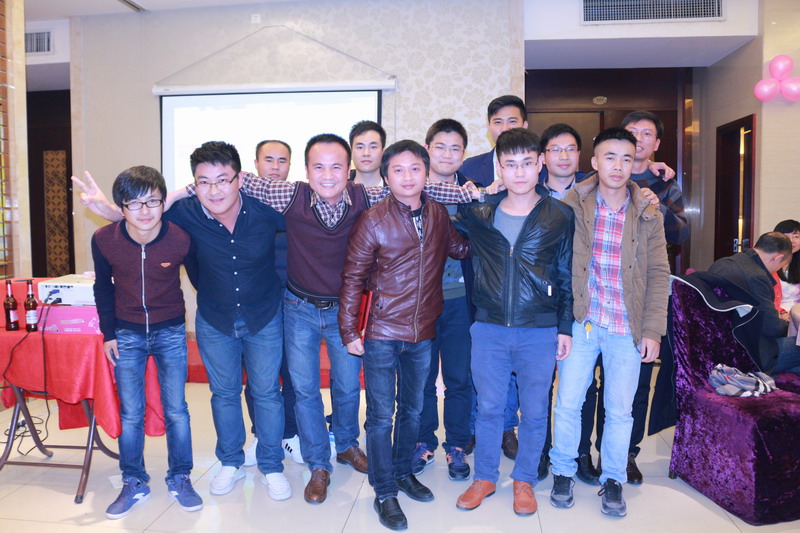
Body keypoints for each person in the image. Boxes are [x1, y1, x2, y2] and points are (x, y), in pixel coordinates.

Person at [179, 133, 482, 504]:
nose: (327, 175)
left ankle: (347, 445)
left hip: (344, 307)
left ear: (348, 169)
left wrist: (473, 193)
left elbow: (421, 188)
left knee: (347, 386)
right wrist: (168, 197)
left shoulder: (365, 196)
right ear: (306, 171)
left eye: (336, 167)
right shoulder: (289, 194)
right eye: (318, 167)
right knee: (305, 391)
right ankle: (317, 464)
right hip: (299, 308)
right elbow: (224, 181)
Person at [74, 141, 291, 502]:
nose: (214, 191)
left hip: (263, 316)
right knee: (223, 393)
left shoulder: (267, 214)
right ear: (194, 185)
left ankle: (271, 465)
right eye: (204, 182)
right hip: (215, 319)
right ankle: (231, 462)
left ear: (239, 179)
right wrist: (110, 210)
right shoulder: (184, 215)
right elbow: (142, 220)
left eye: (222, 180)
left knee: (267, 393)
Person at [339, 139, 471, 531]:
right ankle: (384, 490)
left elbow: (459, 248)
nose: (408, 176)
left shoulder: (437, 214)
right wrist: (349, 329)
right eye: (398, 170)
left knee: (413, 409)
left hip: (423, 331)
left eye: (415, 168)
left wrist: (493, 227)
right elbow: (352, 278)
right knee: (381, 416)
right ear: (386, 177)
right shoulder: (373, 220)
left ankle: (401, 471)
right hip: (382, 331)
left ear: (426, 173)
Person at [550, 127, 670, 518]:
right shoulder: (572, 204)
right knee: (567, 403)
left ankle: (613, 478)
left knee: (620, 411)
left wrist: (653, 330)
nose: (618, 166)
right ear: (595, 162)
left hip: (626, 327)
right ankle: (563, 471)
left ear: (635, 163)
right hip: (582, 322)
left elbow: (659, 274)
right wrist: (559, 325)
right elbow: (557, 267)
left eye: (626, 158)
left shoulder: (648, 212)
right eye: (609, 157)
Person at [454, 128, 574, 517]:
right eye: (510, 165)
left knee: (535, 411)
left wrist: (565, 327)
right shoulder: (480, 213)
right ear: (500, 169)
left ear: (540, 164)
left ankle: (524, 479)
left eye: (526, 163)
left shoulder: (560, 215)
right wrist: (476, 194)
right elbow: (436, 204)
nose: (519, 172)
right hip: (488, 327)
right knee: (489, 407)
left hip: (539, 328)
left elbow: (566, 274)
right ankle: (485, 477)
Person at [93, 166, 201, 519]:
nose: (145, 211)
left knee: (176, 410)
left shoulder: (180, 238)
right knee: (131, 413)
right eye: (134, 203)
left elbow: (202, 280)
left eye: (153, 201)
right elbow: (102, 289)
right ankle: (134, 481)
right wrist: (109, 333)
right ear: (121, 207)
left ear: (163, 202)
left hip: (170, 331)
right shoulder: (104, 239)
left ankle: (180, 476)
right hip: (126, 333)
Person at [461, 94, 528, 460]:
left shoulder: (533, 164)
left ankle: (506, 427)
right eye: (498, 122)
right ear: (489, 127)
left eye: (512, 121)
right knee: (481, 359)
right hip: (479, 278)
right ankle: (475, 426)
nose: (504, 128)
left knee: (513, 364)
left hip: (521, 284)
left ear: (524, 125)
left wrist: (647, 168)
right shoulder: (470, 167)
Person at [412, 119, 474, 482]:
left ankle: (457, 445)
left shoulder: (473, 196)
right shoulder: (411, 192)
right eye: (440, 147)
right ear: (427, 149)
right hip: (419, 303)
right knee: (420, 379)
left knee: (458, 378)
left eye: (455, 148)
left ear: (463, 154)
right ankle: (422, 441)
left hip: (460, 301)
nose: (448, 154)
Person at [243, 139, 303, 466]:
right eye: (269, 160)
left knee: (293, 373)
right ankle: (262, 436)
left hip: (292, 302)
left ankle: (291, 435)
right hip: (254, 305)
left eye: (282, 161)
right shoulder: (239, 202)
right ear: (256, 164)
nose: (275, 167)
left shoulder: (297, 202)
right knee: (258, 376)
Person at [709, 232, 800, 375]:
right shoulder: (757, 276)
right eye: (780, 265)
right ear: (777, 258)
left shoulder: (723, 262)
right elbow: (772, 328)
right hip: (748, 351)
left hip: (719, 343)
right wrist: (788, 324)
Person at [773, 220, 800, 317]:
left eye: (796, 236)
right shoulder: (768, 264)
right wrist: (782, 313)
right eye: (786, 236)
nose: (791, 241)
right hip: (776, 314)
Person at [349, 120, 386, 186]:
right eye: (360, 147)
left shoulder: (395, 188)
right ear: (351, 151)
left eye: (373, 147)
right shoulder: (340, 188)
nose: (366, 153)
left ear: (382, 151)